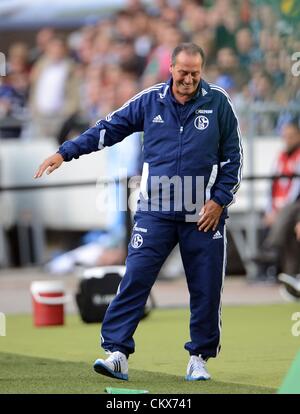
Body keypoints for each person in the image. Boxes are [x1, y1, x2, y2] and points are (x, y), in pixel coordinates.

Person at [34, 43, 243, 381]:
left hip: (202, 213)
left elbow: (233, 159)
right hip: (155, 210)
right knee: (135, 280)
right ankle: (116, 353)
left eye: (196, 73)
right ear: (171, 68)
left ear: (201, 71)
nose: (189, 79)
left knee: (206, 289)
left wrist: (219, 200)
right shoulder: (149, 101)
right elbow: (108, 128)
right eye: (183, 72)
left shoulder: (218, 102)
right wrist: (65, 152)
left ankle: (199, 359)